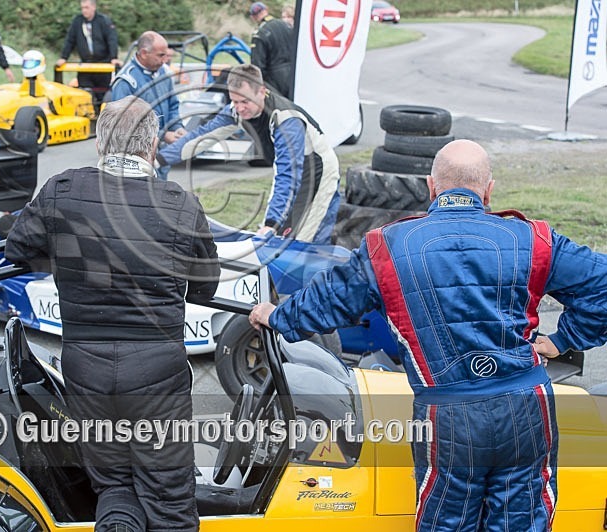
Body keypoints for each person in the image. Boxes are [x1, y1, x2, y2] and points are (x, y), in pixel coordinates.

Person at [248, 139, 607, 531]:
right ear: (488, 190)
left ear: (430, 186)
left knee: (446, 522)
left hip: (448, 414)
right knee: (519, 521)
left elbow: (329, 300)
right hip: (525, 406)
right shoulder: (534, 239)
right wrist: (563, 338)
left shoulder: (386, 247)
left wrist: (278, 316)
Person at [5, 96, 219, 532]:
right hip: (158, 373)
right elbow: (205, 285)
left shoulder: (61, 191)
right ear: (152, 144)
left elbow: (18, 250)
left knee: (114, 488)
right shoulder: (180, 204)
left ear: (101, 143)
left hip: (88, 369)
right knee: (168, 497)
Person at [157, 64, 341, 244]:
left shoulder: (286, 120)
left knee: (301, 240)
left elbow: (289, 175)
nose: (240, 108)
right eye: (235, 101)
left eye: (245, 101)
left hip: (317, 172)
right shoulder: (235, 111)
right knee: (276, 238)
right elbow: (200, 138)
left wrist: (272, 223)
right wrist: (158, 160)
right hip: (291, 171)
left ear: (261, 91)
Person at [111, 31, 187, 181]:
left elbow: (172, 104)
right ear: (144, 53)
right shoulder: (126, 82)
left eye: (166, 55)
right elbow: (124, 125)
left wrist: (177, 128)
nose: (165, 60)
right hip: (136, 161)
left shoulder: (163, 73)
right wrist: (163, 135)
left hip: (161, 156)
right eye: (160, 55)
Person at [56, 0, 120, 100]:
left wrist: (113, 57)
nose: (84, 11)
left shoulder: (103, 21)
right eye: (82, 8)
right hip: (85, 65)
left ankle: (101, 112)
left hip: (103, 65)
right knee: (84, 92)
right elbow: (70, 40)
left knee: (102, 93)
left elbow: (112, 39)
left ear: (93, 7)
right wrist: (64, 57)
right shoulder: (77, 21)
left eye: (86, 8)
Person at [248, 2, 294, 98]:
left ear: (253, 17)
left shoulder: (260, 33)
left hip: (274, 81)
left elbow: (257, 66)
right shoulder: (286, 26)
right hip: (293, 76)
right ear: (266, 10)